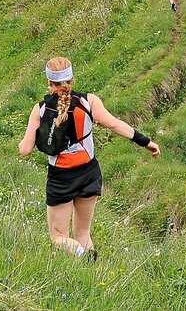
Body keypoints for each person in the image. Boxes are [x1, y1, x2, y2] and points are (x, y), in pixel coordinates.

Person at [18, 57, 161, 258]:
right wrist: (146, 142)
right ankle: (92, 267)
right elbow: (114, 124)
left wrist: (22, 143)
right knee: (83, 233)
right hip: (89, 173)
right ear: (72, 78)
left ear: (49, 82)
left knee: (58, 236)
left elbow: (25, 150)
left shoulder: (40, 109)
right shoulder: (88, 101)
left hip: (61, 178)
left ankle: (82, 255)